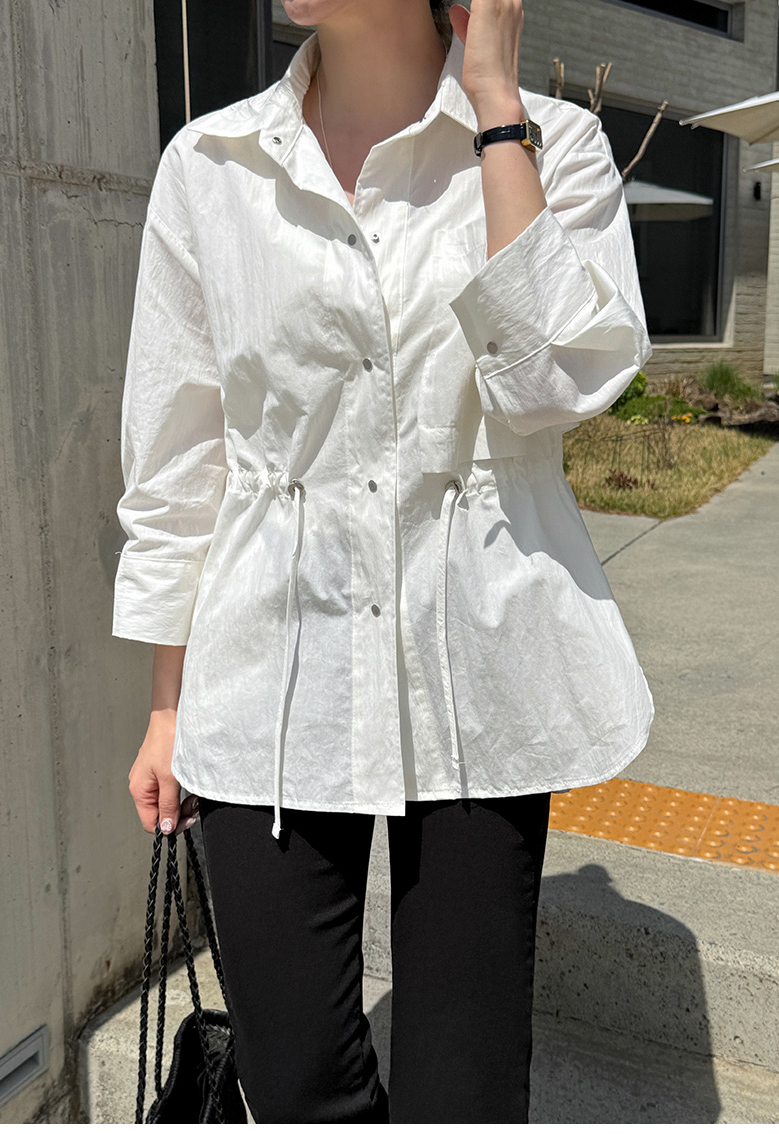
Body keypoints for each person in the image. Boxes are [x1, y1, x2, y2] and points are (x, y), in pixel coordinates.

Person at [113, 0, 654, 1122]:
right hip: (266, 673)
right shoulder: (211, 165)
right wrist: (167, 706)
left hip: (476, 671)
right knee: (294, 1078)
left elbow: (549, 384)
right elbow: (177, 458)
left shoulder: (556, 143)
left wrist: (495, 114)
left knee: (465, 1094)